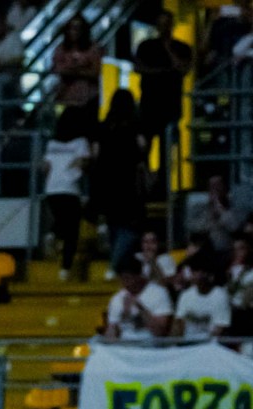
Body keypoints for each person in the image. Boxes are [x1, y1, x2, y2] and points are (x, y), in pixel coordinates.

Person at [91, 90, 147, 277]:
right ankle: (114, 265)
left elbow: (95, 154)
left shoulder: (103, 127)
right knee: (129, 228)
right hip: (127, 182)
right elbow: (142, 148)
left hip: (106, 182)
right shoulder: (134, 126)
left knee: (114, 226)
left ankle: (117, 264)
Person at [134, 11, 193, 163]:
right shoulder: (146, 46)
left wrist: (168, 49)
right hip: (149, 103)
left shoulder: (181, 47)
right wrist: (162, 72)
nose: (164, 27)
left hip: (170, 104)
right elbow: (138, 67)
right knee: (144, 147)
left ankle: (163, 176)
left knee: (166, 148)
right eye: (161, 24)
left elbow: (183, 68)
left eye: (167, 24)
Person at [41, 109, 90, 280]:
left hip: (52, 189)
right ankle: (65, 268)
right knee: (72, 230)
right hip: (70, 188)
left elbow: (46, 167)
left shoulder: (52, 144)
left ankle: (52, 234)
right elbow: (83, 163)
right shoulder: (81, 142)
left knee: (61, 219)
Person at [52, 16, 103, 138]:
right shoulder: (61, 49)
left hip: (88, 100)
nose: (73, 32)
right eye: (71, 28)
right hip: (66, 99)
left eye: (77, 28)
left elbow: (96, 72)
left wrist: (74, 71)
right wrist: (80, 69)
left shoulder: (93, 49)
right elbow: (58, 69)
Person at [104, 257, 173, 340]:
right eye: (122, 279)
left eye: (128, 278)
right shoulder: (117, 298)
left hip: (151, 345)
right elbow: (111, 334)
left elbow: (160, 332)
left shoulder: (159, 293)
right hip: (125, 344)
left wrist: (140, 309)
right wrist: (123, 316)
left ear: (138, 276)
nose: (125, 283)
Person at [173, 257, 232, 341]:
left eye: (197, 271)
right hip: (187, 342)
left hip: (211, 344)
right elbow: (179, 322)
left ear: (208, 275)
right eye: (193, 271)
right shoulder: (185, 295)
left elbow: (220, 328)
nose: (194, 275)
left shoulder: (220, 296)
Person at [189, 175, 245, 253]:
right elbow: (194, 227)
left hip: (228, 251)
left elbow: (234, 227)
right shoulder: (201, 208)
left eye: (218, 187)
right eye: (212, 187)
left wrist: (220, 209)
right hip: (205, 251)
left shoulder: (235, 208)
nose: (215, 191)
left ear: (226, 190)